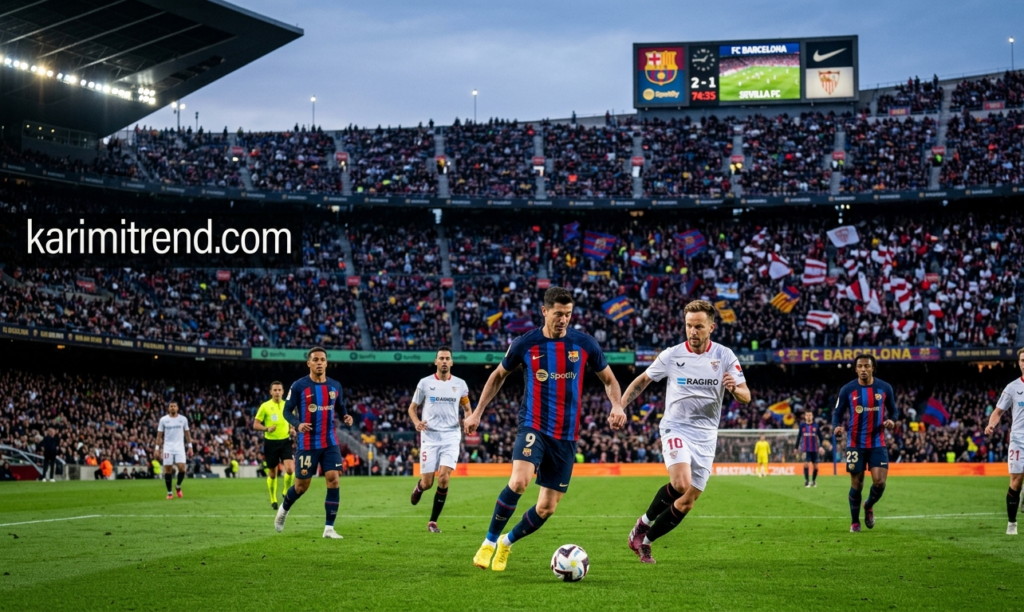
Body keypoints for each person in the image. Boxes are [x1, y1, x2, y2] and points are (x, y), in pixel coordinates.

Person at [464, 287, 625, 571]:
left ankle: (506, 543)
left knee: (546, 508)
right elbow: (498, 375)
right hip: (534, 425)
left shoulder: (584, 344)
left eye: (568, 314)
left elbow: (610, 380)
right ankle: (488, 543)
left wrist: (617, 405)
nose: (563, 319)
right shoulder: (525, 344)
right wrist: (477, 411)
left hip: (566, 435)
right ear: (545, 311)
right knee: (519, 482)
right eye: (558, 314)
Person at [620, 299, 751, 564]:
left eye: (699, 326)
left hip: (706, 435)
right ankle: (644, 522)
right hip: (675, 427)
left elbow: (746, 395)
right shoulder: (672, 354)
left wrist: (735, 390)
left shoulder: (725, 356)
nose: (693, 331)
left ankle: (646, 542)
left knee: (688, 501)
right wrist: (619, 406)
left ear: (711, 327)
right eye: (689, 326)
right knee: (680, 483)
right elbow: (643, 380)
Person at [275, 347, 354, 539]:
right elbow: (287, 411)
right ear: (308, 363)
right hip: (308, 443)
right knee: (302, 486)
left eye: (322, 360)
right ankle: (283, 510)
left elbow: (341, 407)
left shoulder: (335, 386)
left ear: (326, 363)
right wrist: (298, 423)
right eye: (315, 360)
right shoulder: (299, 386)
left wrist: (346, 416)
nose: (319, 363)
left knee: (333, 479)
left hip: (330, 441)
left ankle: (329, 528)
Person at [408, 346, 472, 533]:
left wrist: (469, 420)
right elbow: (412, 408)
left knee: (443, 478)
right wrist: (416, 422)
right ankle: (419, 488)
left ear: (452, 362)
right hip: (430, 436)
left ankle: (433, 522)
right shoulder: (425, 383)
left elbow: (467, 409)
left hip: (451, 436)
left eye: (447, 358)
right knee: (428, 483)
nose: (444, 361)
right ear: (435, 361)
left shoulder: (460, 385)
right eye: (441, 358)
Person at [832, 354, 897, 533]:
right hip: (855, 443)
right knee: (857, 484)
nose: (863, 369)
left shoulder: (884, 388)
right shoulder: (847, 389)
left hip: (877, 442)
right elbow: (837, 413)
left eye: (866, 366)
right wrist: (836, 427)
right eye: (860, 366)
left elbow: (894, 411)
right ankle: (855, 522)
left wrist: (892, 421)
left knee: (880, 482)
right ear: (855, 369)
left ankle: (868, 505)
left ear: (872, 368)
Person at [985, 346, 1024, 535]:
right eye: (1023, 360)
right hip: (1019, 440)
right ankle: (1012, 524)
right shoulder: (1012, 387)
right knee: (1015, 482)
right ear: (1019, 363)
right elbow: (998, 411)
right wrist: (991, 424)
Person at [253, 381, 296, 510]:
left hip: (285, 442)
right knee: (273, 474)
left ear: (283, 392)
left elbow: (290, 422)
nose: (277, 392)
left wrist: (292, 429)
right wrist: (266, 429)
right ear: (271, 392)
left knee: (290, 470)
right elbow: (255, 425)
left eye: (279, 390)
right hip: (270, 443)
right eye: (275, 390)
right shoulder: (265, 406)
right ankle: (273, 498)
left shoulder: (287, 406)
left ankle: (286, 491)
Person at [156, 401, 192, 499]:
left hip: (180, 447)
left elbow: (187, 434)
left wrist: (190, 447)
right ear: (168, 408)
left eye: (174, 406)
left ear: (177, 408)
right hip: (168, 447)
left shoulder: (183, 419)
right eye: (171, 406)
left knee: (182, 468)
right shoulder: (163, 420)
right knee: (168, 470)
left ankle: (178, 486)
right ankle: (169, 493)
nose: (172, 408)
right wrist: (157, 449)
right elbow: (159, 435)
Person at [796, 411, 823, 487]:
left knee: (816, 467)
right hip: (805, 449)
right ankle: (807, 481)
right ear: (805, 416)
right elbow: (799, 437)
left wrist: (821, 446)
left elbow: (821, 437)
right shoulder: (802, 426)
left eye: (810, 415)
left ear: (812, 416)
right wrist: (796, 447)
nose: (808, 416)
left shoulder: (816, 426)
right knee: (806, 465)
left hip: (814, 449)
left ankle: (814, 481)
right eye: (807, 415)